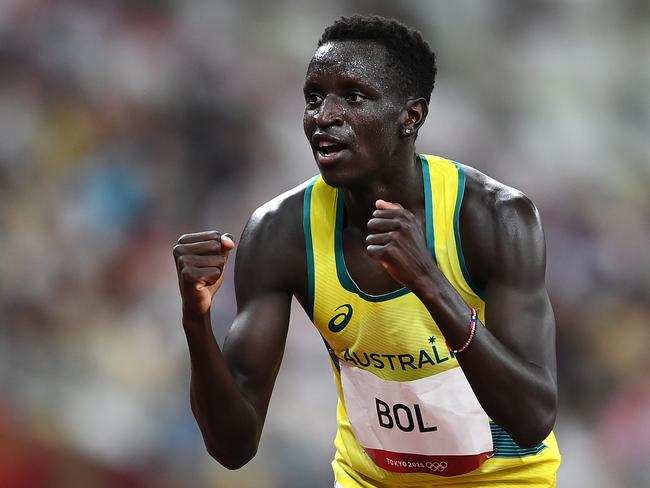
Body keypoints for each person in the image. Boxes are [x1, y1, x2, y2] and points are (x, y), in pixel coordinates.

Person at [172, 14, 561, 488]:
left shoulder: (494, 218)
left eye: (353, 97)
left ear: (410, 116)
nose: (325, 116)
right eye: (313, 98)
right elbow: (233, 448)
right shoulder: (280, 232)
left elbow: (532, 417)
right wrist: (196, 320)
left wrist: (430, 283)